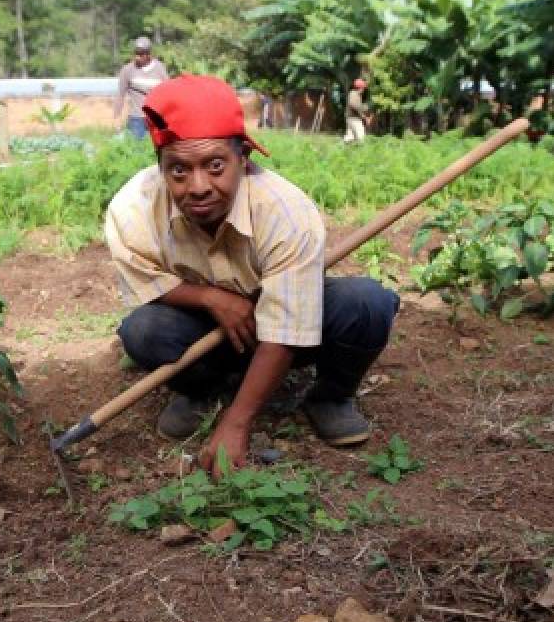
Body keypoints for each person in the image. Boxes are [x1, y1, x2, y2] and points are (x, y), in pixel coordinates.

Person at [105, 75, 400, 477]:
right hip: (209, 334)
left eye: (214, 166)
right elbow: (148, 280)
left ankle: (331, 398)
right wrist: (212, 299)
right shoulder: (133, 210)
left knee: (367, 303)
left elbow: (286, 326)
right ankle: (203, 391)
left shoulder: (285, 210)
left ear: (242, 158)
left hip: (289, 331)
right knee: (143, 330)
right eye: (178, 171)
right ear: (160, 168)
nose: (198, 187)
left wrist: (238, 424)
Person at [114, 36, 169, 140]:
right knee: (135, 150)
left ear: (149, 54)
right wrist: (117, 117)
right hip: (136, 119)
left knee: (157, 150)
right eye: (136, 53)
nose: (137, 57)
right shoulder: (127, 70)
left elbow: (168, 94)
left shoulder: (160, 69)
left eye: (140, 54)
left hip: (156, 118)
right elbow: (120, 95)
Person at [344, 78, 370, 144]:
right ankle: (362, 151)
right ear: (360, 88)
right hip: (353, 119)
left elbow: (358, 110)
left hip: (352, 118)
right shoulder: (353, 94)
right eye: (363, 88)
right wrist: (364, 107)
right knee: (361, 136)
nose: (364, 90)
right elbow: (353, 105)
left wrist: (364, 118)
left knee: (350, 137)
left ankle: (344, 150)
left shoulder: (356, 95)